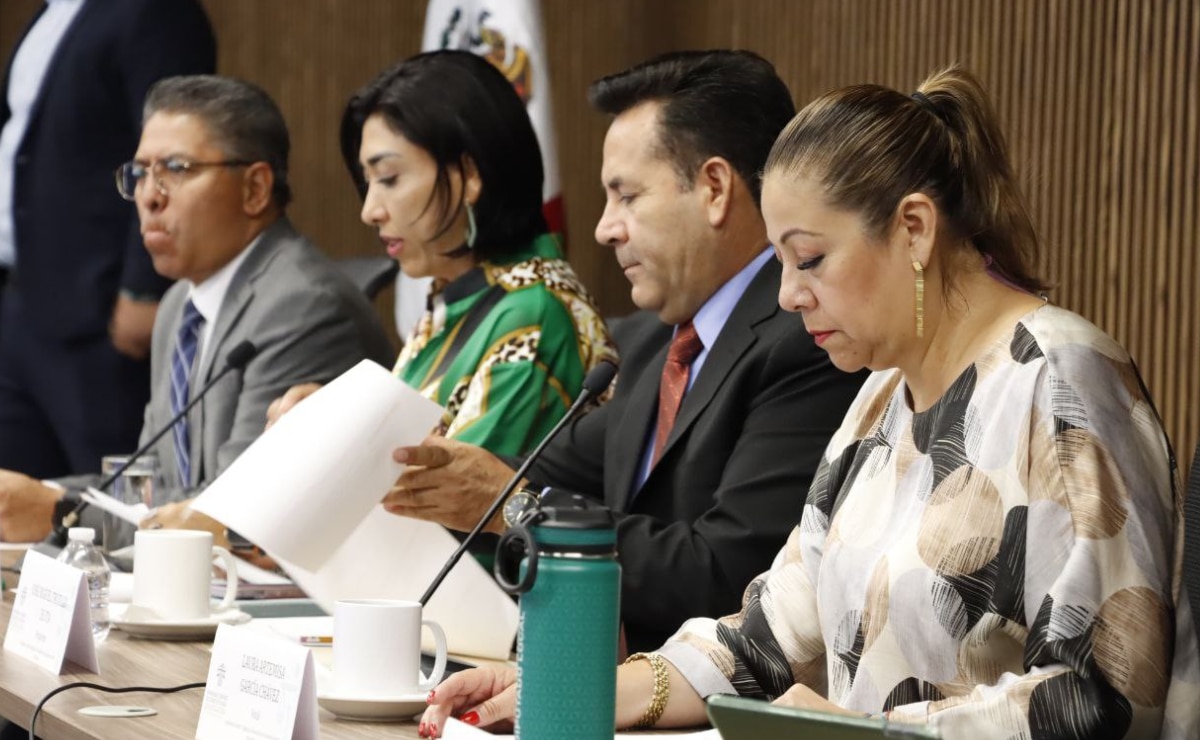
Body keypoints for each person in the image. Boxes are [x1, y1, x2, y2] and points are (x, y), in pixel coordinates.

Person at [418, 66, 1199, 739]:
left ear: (916, 229)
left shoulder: (1061, 376)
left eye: (810, 260)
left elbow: (1100, 695)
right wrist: (579, 695)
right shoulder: (880, 395)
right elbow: (771, 630)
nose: (788, 296)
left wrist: (865, 734)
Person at [384, 49, 866, 657]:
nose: (604, 228)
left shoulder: (808, 339)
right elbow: (522, 466)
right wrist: (367, 444)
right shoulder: (646, 345)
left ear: (714, 188)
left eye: (626, 196)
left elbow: (728, 577)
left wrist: (518, 507)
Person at [0, 74, 394, 544]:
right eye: (141, 172)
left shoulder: (302, 306)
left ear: (255, 189)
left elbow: (232, 516)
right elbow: (156, 486)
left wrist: (60, 512)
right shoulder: (178, 305)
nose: (149, 196)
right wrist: (37, 495)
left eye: (176, 169)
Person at [267, 50, 614, 457]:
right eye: (369, 183)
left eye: (390, 178)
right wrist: (331, 422)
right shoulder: (461, 296)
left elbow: (450, 506)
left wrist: (325, 452)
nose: (369, 211)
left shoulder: (532, 315)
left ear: (469, 175)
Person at [0, 0, 216, 480]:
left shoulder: (152, 12)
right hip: (21, 297)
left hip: (101, 309)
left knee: (111, 503)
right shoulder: (49, 13)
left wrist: (144, 288)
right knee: (17, 506)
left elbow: (175, 148)